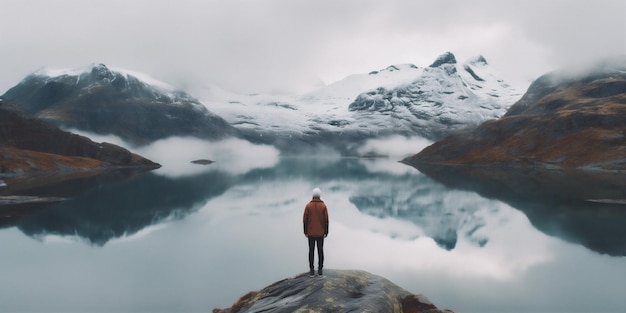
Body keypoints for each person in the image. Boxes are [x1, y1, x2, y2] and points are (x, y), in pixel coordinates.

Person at [303, 187, 329, 277]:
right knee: (320, 250)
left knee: (311, 251)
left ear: (313, 195)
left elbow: (305, 219)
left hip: (310, 233)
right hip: (320, 233)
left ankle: (311, 270)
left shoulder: (308, 206)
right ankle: (320, 270)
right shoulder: (323, 206)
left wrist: (305, 231)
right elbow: (326, 220)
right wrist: (326, 232)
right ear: (319, 195)